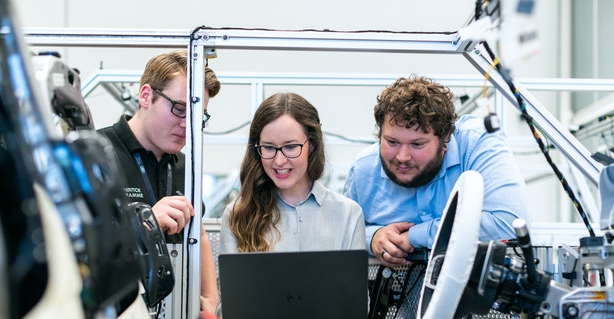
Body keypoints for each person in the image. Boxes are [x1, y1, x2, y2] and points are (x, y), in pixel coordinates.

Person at [344, 74, 530, 268]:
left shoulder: (477, 143)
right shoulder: (362, 170)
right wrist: (373, 237)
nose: (402, 157)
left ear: (445, 137)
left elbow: (509, 223)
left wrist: (413, 236)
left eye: (417, 144)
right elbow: (345, 234)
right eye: (392, 142)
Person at [99, 50, 220, 315]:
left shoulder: (186, 166)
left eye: (198, 116)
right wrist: (146, 223)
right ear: (146, 96)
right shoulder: (96, 155)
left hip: (174, 316)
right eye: (179, 109)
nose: (187, 125)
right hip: (115, 315)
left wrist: (210, 297)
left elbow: (197, 233)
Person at [220, 92, 365, 253]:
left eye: (290, 147)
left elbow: (352, 279)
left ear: (312, 145)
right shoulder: (237, 216)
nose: (279, 161)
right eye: (268, 147)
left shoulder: (348, 215)